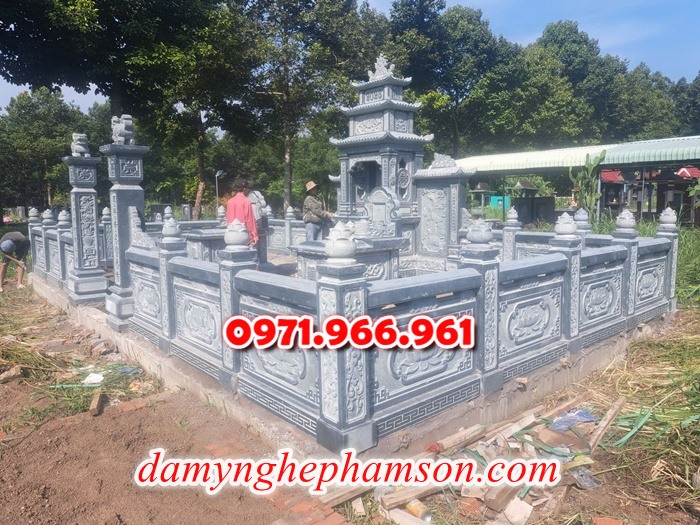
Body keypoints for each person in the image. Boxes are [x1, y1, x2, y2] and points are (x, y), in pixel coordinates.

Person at [226, 178, 258, 245]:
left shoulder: (230, 201)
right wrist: (254, 235)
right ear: (244, 189)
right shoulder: (246, 201)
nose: (248, 190)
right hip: (244, 236)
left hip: (231, 236)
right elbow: (250, 220)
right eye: (248, 188)